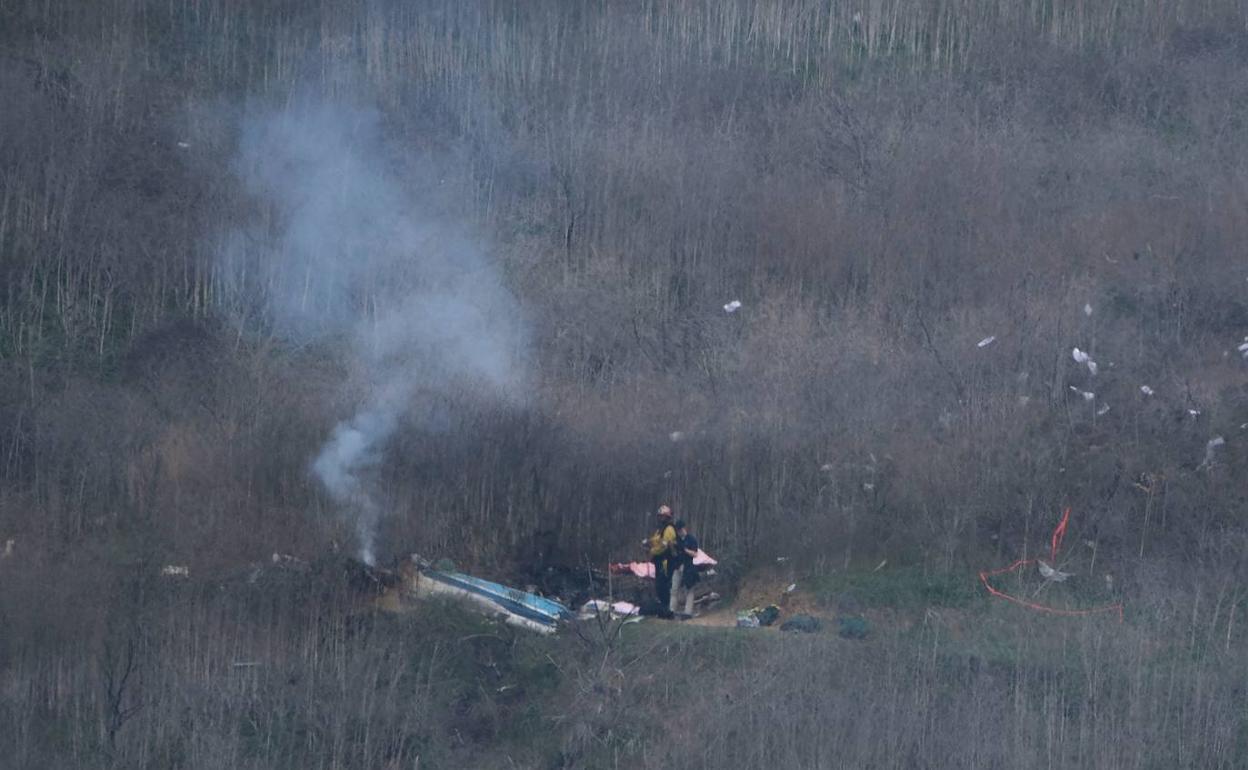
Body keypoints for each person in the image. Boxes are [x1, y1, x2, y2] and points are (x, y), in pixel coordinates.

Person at [643, 505, 678, 613]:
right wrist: (648, 542)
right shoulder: (660, 530)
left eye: (662, 516)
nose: (660, 519)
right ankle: (663, 605)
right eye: (659, 516)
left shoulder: (669, 529)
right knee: (659, 583)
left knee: (663, 584)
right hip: (659, 561)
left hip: (666, 561)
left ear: (667, 517)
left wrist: (652, 551)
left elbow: (664, 546)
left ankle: (666, 606)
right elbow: (656, 539)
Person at [669, 520, 700, 617]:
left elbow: (695, 554)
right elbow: (673, 553)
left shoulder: (691, 539)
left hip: (688, 567)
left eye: (679, 530)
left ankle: (688, 612)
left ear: (683, 529)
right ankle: (671, 611)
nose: (678, 532)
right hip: (677, 566)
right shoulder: (676, 540)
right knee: (674, 589)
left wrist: (685, 550)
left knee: (689, 590)